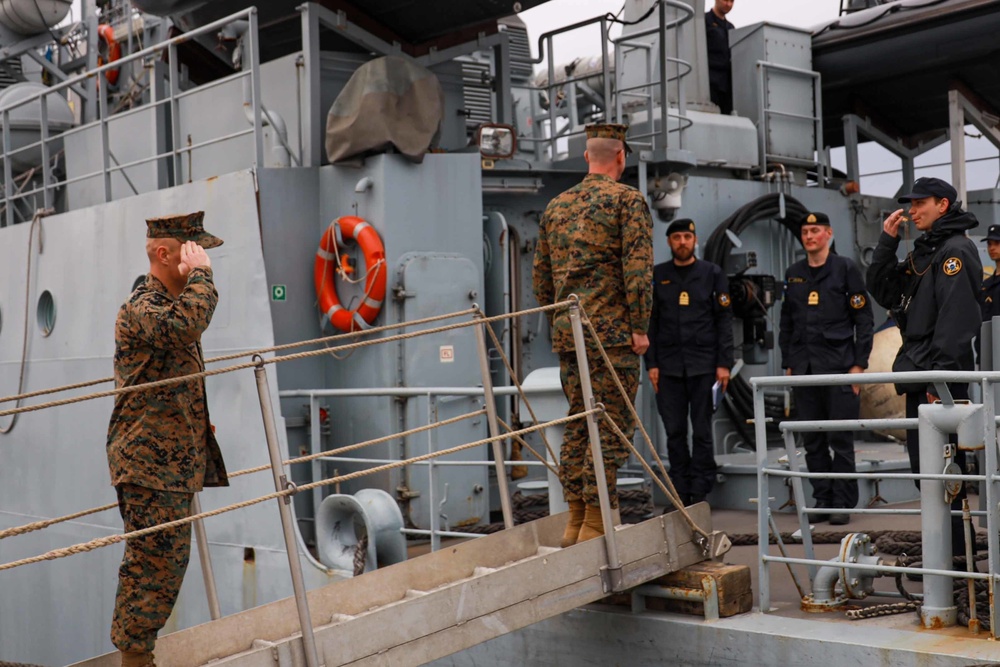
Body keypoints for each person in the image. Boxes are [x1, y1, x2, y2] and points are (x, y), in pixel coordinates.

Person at [106, 212, 229, 667]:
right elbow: (184, 328)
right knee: (151, 567)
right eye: (191, 250)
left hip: (170, 464)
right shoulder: (142, 307)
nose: (201, 257)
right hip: (147, 464)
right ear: (164, 253)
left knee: (167, 563)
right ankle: (136, 661)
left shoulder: (170, 306)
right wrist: (201, 278)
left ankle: (139, 656)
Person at [532, 122, 653, 548]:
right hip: (613, 337)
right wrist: (640, 327)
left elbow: (542, 281)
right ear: (621, 156)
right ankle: (597, 521)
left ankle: (576, 520)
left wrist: (558, 326)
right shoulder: (628, 202)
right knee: (611, 424)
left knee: (579, 423)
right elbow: (637, 271)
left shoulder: (556, 206)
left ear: (587, 156)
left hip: (569, 336)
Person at [866, 176, 981, 559]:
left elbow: (956, 319)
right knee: (926, 475)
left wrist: (940, 380)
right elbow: (884, 290)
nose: (912, 211)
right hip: (921, 374)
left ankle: (955, 562)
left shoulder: (954, 252)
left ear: (943, 205)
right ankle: (945, 557)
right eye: (910, 204)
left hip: (939, 379)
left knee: (945, 477)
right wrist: (887, 243)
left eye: (920, 204)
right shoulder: (925, 252)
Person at [779, 212, 873, 525]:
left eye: (815, 230)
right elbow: (787, 322)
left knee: (840, 439)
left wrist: (859, 364)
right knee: (813, 440)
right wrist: (789, 364)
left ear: (828, 234)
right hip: (805, 370)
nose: (809, 236)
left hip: (840, 368)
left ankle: (842, 503)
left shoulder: (845, 269)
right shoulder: (794, 273)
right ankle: (821, 499)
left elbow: (864, 319)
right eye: (805, 231)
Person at [643, 218, 733, 506]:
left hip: (704, 366)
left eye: (687, 237)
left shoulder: (712, 273)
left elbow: (723, 321)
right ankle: (679, 491)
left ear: (695, 241)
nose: (682, 242)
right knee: (675, 432)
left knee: (703, 430)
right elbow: (651, 322)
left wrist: (724, 364)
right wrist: (651, 364)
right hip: (668, 368)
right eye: (676, 237)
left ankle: (700, 491)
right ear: (669, 242)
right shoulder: (658, 275)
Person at [705, 0, 735, 115]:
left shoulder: (731, 28)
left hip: (727, 86)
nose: (728, 4)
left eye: (731, 1)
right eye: (725, 0)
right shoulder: (704, 21)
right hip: (710, 83)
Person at [981, 224, 1000, 323]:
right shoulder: (987, 284)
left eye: (997, 243)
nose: (992, 248)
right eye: (989, 244)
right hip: (987, 336)